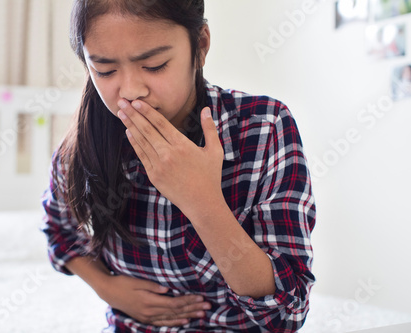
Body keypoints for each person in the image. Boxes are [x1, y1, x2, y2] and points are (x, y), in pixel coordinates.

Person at [41, 0, 316, 332]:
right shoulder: (83, 146)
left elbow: (286, 315)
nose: (130, 92)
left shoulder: (263, 127)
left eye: (154, 65)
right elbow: (58, 229)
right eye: (105, 70)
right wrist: (108, 288)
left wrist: (202, 202)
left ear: (200, 45)